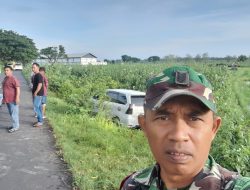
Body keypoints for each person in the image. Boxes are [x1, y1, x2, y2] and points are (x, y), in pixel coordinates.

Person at [120, 66, 250, 190]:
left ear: (213, 128)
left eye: (194, 119)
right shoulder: (132, 185)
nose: (178, 135)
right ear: (145, 126)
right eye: (163, 118)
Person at [2, 65, 20, 133]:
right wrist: (4, 99)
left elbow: (18, 88)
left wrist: (17, 98)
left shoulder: (13, 78)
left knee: (14, 114)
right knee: (11, 113)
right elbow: (5, 87)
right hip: (8, 99)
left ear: (11, 71)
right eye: (5, 70)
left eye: (7, 70)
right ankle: (14, 125)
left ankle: (16, 127)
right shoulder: (6, 78)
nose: (6, 71)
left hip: (13, 99)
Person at [32, 63, 44, 127]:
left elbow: (40, 85)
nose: (32, 69)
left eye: (34, 67)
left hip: (38, 94)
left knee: (36, 107)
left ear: (38, 67)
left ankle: (40, 122)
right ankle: (40, 121)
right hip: (38, 94)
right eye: (32, 67)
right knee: (38, 107)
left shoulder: (38, 75)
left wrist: (35, 92)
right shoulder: (36, 75)